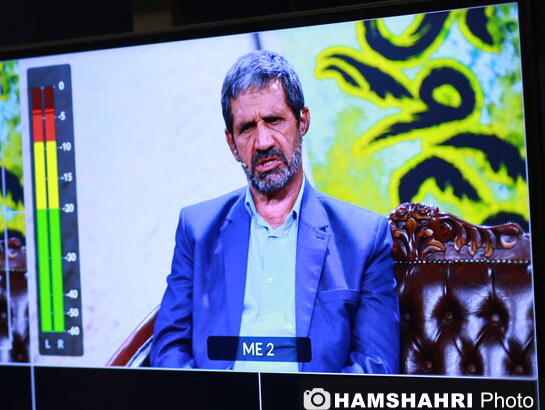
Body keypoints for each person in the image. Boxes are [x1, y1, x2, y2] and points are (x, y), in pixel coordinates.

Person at [149, 51, 399, 373]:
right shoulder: (197, 230)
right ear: (232, 143)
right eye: (247, 128)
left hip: (310, 402)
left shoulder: (364, 238)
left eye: (274, 120)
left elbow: (376, 365)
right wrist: (208, 400)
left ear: (302, 121)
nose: (263, 141)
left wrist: (306, 403)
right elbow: (169, 347)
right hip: (220, 402)